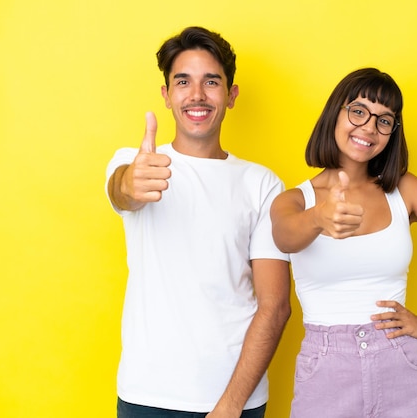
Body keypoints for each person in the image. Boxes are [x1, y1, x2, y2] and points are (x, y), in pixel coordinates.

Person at [270, 68, 417, 417]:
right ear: (336, 112)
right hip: (326, 367)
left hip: (401, 363)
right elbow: (283, 236)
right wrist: (320, 217)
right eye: (358, 111)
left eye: (384, 120)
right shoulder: (296, 200)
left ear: (392, 133)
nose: (369, 128)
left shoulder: (403, 190)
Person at [105, 26, 291, 418]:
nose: (197, 95)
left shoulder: (263, 184)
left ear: (231, 95)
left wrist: (232, 404)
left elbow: (275, 306)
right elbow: (122, 192)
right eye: (183, 82)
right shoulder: (137, 163)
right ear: (167, 96)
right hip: (147, 395)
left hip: (235, 399)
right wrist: (130, 183)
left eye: (211, 82)